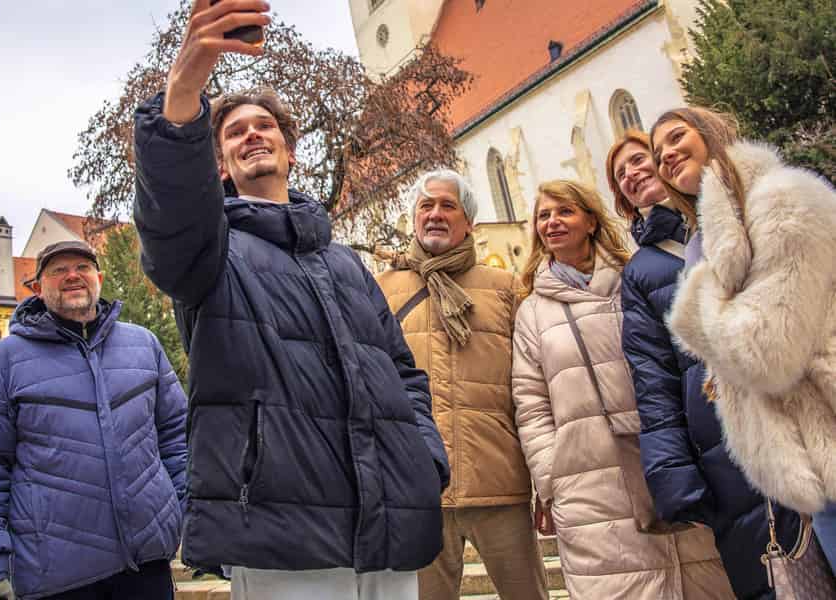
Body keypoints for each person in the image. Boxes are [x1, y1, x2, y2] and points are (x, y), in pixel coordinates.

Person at [132, 2, 448, 599]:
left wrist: (423, 459)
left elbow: (404, 373)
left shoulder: (346, 262)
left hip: (388, 524)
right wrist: (184, 87)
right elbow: (170, 217)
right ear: (220, 166)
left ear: (290, 150)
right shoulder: (210, 251)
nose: (252, 133)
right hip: (281, 531)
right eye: (233, 133)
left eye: (265, 126)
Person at [512, 179, 735, 599]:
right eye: (544, 215)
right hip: (587, 481)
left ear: (591, 220)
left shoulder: (635, 278)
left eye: (565, 211)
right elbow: (530, 404)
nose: (553, 222)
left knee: (702, 579)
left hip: (664, 454)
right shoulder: (532, 312)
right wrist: (551, 478)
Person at [651, 107, 836, 571]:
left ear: (714, 132)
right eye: (658, 152)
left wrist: (695, 306)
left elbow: (764, 352)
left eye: (677, 137)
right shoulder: (711, 235)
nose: (666, 155)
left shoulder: (781, 200)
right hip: (811, 459)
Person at [0, 240, 188, 600]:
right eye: (58, 270)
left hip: (146, 567)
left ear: (100, 278)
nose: (72, 276)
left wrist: (189, 518)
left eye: (82, 266)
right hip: (54, 578)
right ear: (37, 287)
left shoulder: (143, 345)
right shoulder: (5, 360)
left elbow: (178, 439)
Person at [376, 170, 549, 600]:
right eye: (426, 206)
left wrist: (545, 478)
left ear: (469, 222)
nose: (435, 214)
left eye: (447, 206)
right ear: (413, 218)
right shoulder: (380, 290)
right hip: (419, 488)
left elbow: (534, 387)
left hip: (500, 484)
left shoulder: (507, 289)